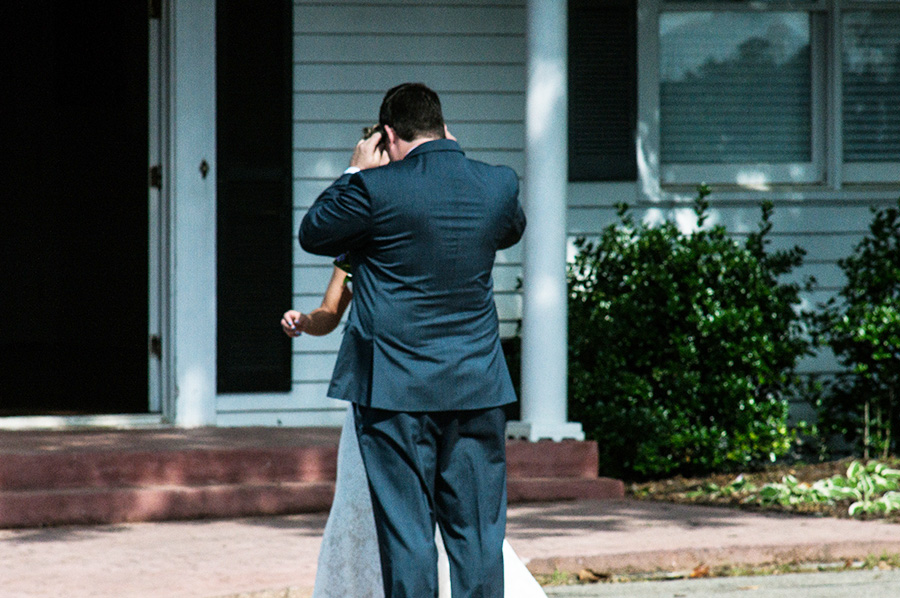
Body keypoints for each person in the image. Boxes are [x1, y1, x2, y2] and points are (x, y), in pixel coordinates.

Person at [297, 82, 527, 598]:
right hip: (476, 386)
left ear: (387, 134)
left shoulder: (374, 190)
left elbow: (315, 232)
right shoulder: (497, 184)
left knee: (409, 538)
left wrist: (356, 170)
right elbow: (508, 230)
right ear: (444, 127)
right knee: (478, 538)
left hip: (395, 392)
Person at [281, 269, 548, 598]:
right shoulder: (356, 244)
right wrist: (306, 321)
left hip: (439, 388)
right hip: (375, 393)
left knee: (442, 512)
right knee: (362, 506)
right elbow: (330, 311)